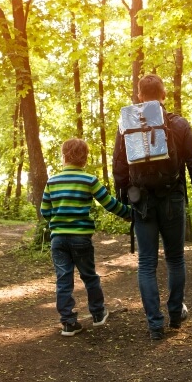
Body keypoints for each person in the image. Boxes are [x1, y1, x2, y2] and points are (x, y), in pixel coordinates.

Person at [112, 74, 192, 340]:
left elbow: (119, 168)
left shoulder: (126, 125)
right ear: (163, 94)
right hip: (173, 199)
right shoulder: (177, 123)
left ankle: (155, 325)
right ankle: (175, 316)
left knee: (146, 263)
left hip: (141, 202)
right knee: (175, 258)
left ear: (140, 96)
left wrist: (124, 202)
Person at [41, 138, 131, 336]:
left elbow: (44, 210)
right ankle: (98, 314)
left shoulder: (52, 181)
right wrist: (129, 213)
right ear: (84, 158)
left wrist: (57, 222)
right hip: (81, 238)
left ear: (64, 156)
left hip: (58, 239)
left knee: (63, 280)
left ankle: (68, 323)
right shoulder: (89, 180)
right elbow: (109, 203)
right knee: (89, 276)